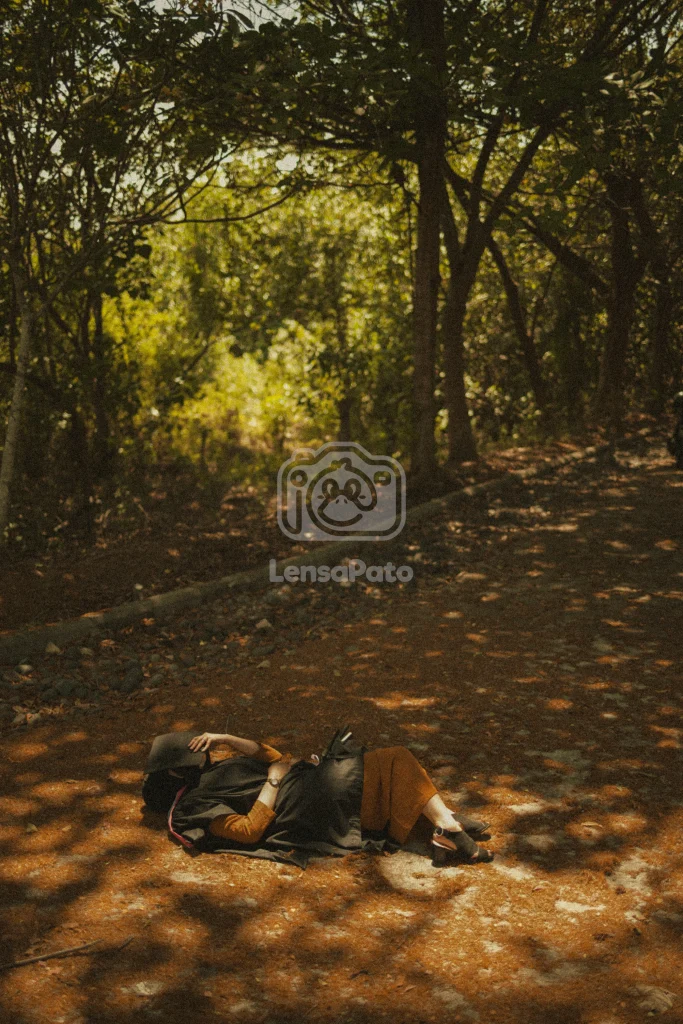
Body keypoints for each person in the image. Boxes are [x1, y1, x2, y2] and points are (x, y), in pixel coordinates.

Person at [141, 725, 494, 869]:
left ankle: (444, 821)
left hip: (309, 786)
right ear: (175, 774)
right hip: (308, 807)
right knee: (394, 760)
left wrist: (226, 738)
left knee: (384, 771)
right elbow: (248, 831)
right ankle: (447, 824)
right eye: (195, 756)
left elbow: (272, 756)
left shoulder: (213, 773)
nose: (203, 757)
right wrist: (274, 783)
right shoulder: (192, 807)